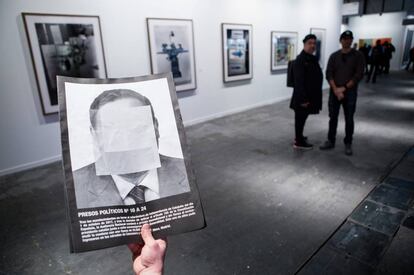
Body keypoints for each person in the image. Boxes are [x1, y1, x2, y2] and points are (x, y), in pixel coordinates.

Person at [73, 89, 191, 208]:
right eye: (113, 131)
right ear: (94, 135)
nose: (127, 141)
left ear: (156, 127)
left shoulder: (186, 171)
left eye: (137, 127)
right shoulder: (76, 187)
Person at [320, 30, 364, 155]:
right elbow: (329, 73)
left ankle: (348, 143)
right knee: (332, 117)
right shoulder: (334, 56)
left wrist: (343, 88)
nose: (347, 40)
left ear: (352, 40)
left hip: (349, 92)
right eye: (345, 38)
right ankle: (330, 140)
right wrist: (335, 89)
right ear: (341, 40)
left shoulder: (358, 56)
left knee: (349, 118)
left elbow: (358, 75)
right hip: (335, 92)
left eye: (349, 38)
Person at [290, 34, 323, 150]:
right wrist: (303, 99)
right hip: (302, 98)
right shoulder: (301, 60)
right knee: (300, 118)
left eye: (314, 43)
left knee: (302, 118)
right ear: (304, 44)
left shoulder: (311, 58)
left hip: (309, 96)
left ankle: (299, 137)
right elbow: (298, 82)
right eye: (310, 43)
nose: (312, 45)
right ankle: (298, 142)